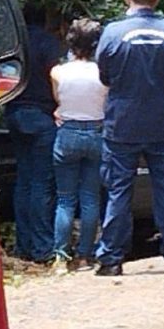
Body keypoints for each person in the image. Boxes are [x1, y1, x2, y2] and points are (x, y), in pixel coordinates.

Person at [93, 0, 164, 276]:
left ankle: (111, 259)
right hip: (162, 121)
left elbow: (105, 75)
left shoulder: (112, 33)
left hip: (122, 123)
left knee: (119, 189)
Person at [4, 2, 64, 263]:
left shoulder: (11, 43)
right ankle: (42, 247)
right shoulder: (48, 44)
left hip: (15, 113)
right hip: (41, 116)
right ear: (46, 19)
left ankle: (23, 245)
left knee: (24, 181)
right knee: (41, 183)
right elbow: (57, 78)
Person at [50, 18, 108, 271]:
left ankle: (61, 257)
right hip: (96, 131)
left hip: (68, 133)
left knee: (65, 199)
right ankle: (85, 255)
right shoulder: (103, 73)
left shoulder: (57, 72)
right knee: (90, 198)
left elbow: (58, 102)